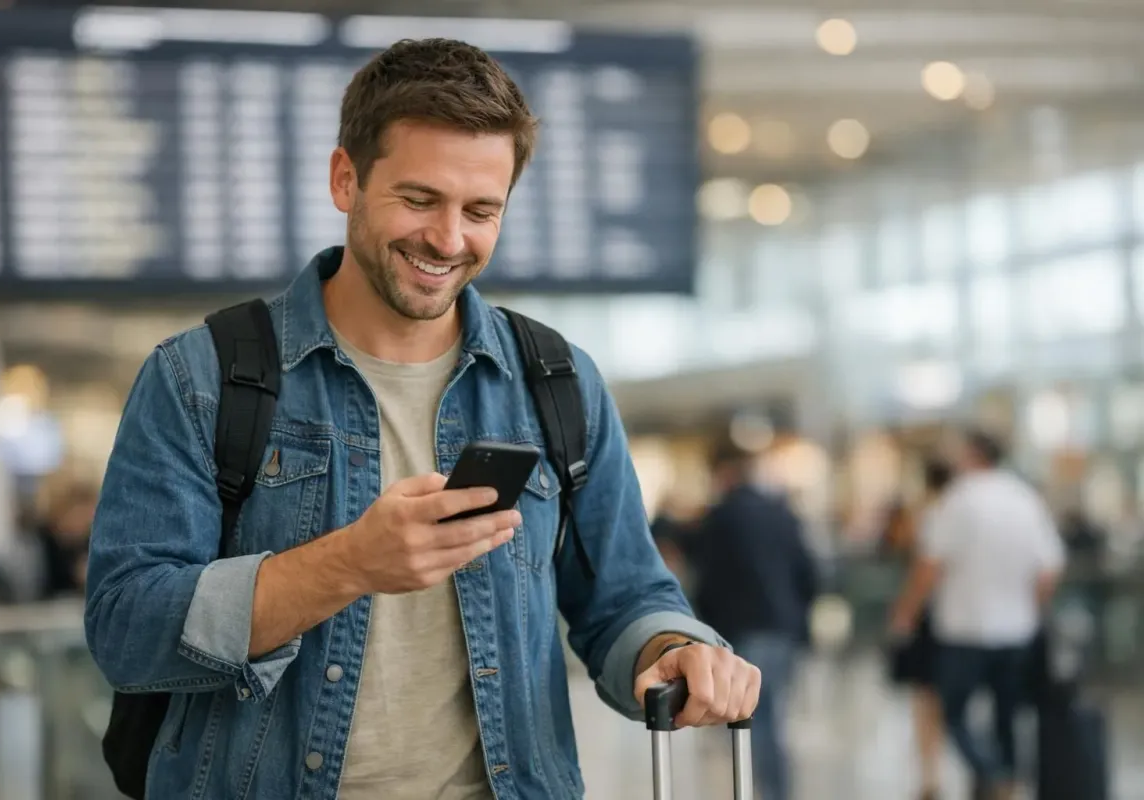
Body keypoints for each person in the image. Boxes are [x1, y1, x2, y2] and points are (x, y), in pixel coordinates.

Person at [84, 38, 760, 800]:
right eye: (419, 199)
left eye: (481, 211)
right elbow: (124, 629)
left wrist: (670, 650)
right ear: (347, 179)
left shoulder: (556, 383)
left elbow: (625, 600)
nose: (447, 240)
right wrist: (348, 564)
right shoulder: (200, 378)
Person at [890, 430, 1065, 800]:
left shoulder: (959, 499)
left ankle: (992, 774)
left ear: (972, 454)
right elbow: (1049, 568)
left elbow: (929, 566)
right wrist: (1030, 606)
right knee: (1007, 715)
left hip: (964, 629)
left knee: (954, 714)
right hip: (1017, 629)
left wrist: (906, 612)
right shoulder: (1024, 498)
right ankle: (1007, 780)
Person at [691, 441, 818, 800]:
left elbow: (709, 578)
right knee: (771, 715)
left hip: (744, 628)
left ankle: (761, 792)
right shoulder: (782, 512)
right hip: (785, 627)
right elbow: (808, 572)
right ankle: (775, 789)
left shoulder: (722, 515)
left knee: (750, 718)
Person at [887, 458, 952, 800]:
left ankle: (931, 776)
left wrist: (904, 614)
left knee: (926, 701)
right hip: (960, 620)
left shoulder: (929, 515)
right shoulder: (955, 511)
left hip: (932, 618)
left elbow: (922, 568)